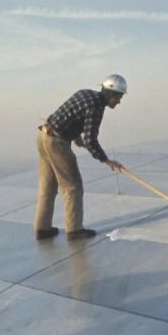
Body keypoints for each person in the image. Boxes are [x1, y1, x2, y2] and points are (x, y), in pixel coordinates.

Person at [34, 74, 126, 241]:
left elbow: (69, 117)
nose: (118, 102)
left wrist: (76, 138)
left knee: (48, 185)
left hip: (43, 136)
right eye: (118, 98)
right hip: (56, 143)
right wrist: (106, 160)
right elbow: (91, 140)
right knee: (72, 186)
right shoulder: (97, 107)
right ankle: (74, 231)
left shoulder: (85, 93)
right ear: (110, 94)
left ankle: (42, 228)